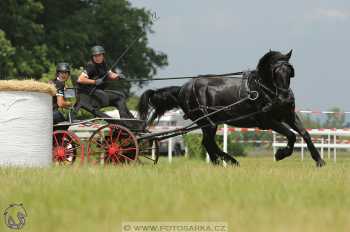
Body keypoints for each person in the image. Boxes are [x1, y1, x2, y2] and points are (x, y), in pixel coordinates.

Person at [77, 45, 134, 119]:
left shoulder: (103, 64)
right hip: (89, 95)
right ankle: (125, 120)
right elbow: (80, 79)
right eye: (95, 56)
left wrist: (118, 76)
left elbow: (110, 74)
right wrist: (94, 81)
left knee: (121, 95)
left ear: (103, 55)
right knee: (120, 97)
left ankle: (129, 118)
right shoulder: (91, 66)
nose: (97, 58)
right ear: (92, 57)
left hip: (97, 92)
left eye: (99, 55)